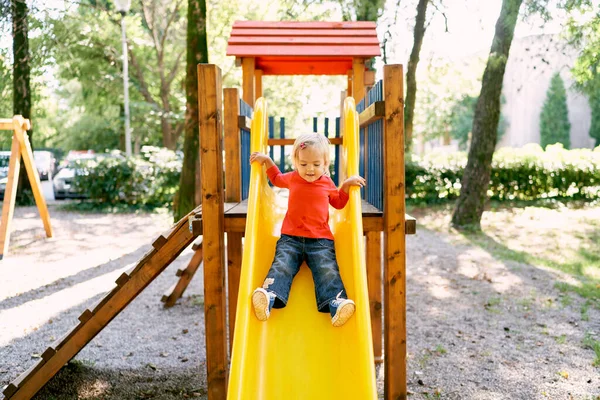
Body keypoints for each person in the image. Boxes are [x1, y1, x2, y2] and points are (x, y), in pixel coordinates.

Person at [249, 133, 366, 327]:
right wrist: (267, 161)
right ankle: (269, 297)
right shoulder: (293, 178)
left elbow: (338, 203)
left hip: (320, 241)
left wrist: (345, 185)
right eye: (303, 164)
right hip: (291, 238)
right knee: (282, 265)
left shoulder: (327, 183)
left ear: (325, 163)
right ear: (296, 162)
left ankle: (336, 303)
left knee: (327, 269)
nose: (309, 169)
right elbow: (276, 179)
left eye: (316, 164)